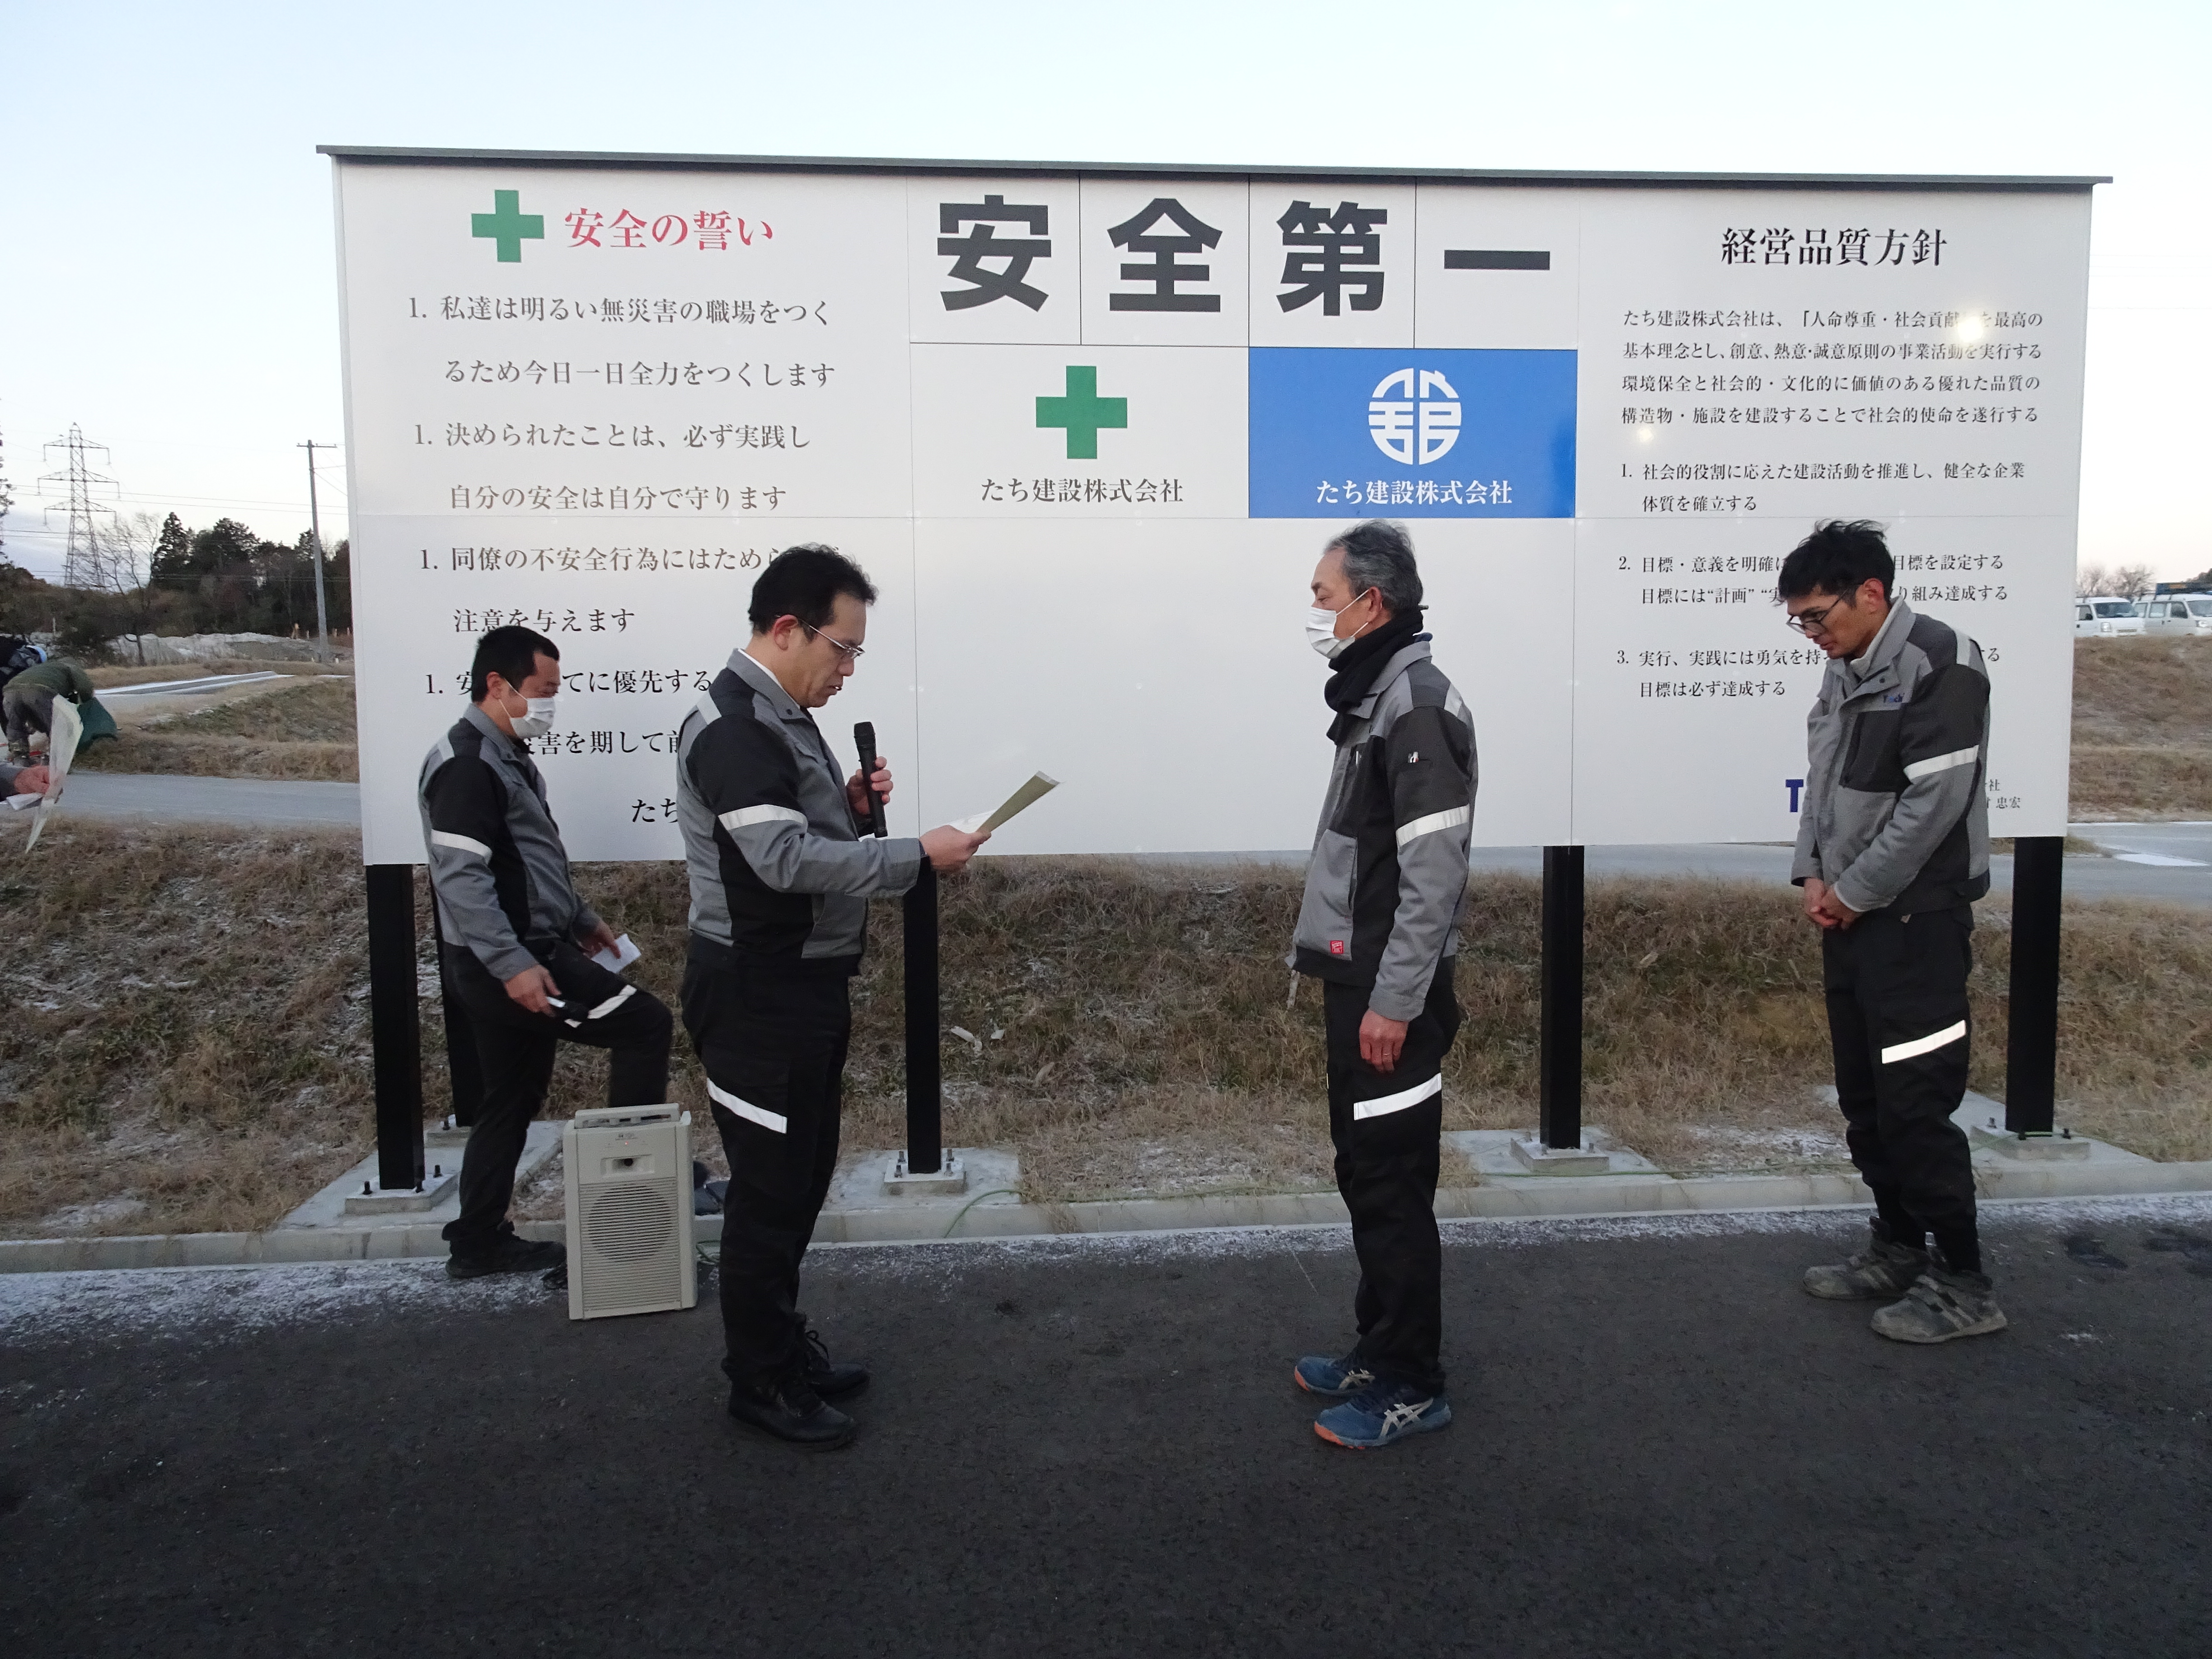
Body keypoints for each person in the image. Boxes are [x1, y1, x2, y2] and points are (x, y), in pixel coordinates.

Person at [675, 545, 988, 1449]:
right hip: (757, 993)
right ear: (787, 629)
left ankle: (780, 1348)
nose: (847, 668)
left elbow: (788, 831)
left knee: (801, 1179)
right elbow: (778, 862)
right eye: (842, 648)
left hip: (801, 984)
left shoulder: (778, 714)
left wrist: (846, 809)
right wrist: (911, 855)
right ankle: (760, 1379)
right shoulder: (737, 725)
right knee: (769, 1194)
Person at [1783, 520, 2004, 1343]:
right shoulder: (1845, 668)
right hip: (1852, 919)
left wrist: (1854, 891)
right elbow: (1823, 787)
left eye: (1817, 616)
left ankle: (1965, 1282)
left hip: (1917, 923)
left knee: (1916, 1105)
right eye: (1800, 621)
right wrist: (1813, 874)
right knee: (1866, 1099)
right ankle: (1899, 1246)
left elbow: (1933, 804)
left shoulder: (1942, 663)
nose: (1811, 634)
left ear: (1870, 594)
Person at [1288, 520, 1477, 1451]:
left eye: (1324, 597)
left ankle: (1412, 1381)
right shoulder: (1378, 697)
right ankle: (1379, 1343)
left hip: (1388, 995)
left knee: (1394, 1182)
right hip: (1357, 982)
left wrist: (1395, 1001)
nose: (1316, 613)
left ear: (1372, 602)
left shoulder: (1418, 706)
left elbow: (1433, 875)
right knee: (1365, 1170)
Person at [419, 625, 674, 1281]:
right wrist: (514, 967)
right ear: (497, 685)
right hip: (514, 961)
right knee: (645, 1025)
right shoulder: (468, 765)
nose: (551, 705)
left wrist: (581, 919)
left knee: (510, 1096)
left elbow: (529, 859)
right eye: (543, 691)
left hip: (523, 951)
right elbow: (462, 879)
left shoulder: (504, 754)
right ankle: (624, 1217)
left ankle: (478, 1242)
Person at [5, 655, 95, 763]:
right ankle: (52, 758)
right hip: (40, 691)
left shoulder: (44, 667)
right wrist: (87, 704)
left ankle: (20, 758)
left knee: (15, 726)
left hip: (11, 691)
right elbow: (84, 687)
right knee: (56, 726)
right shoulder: (70, 667)